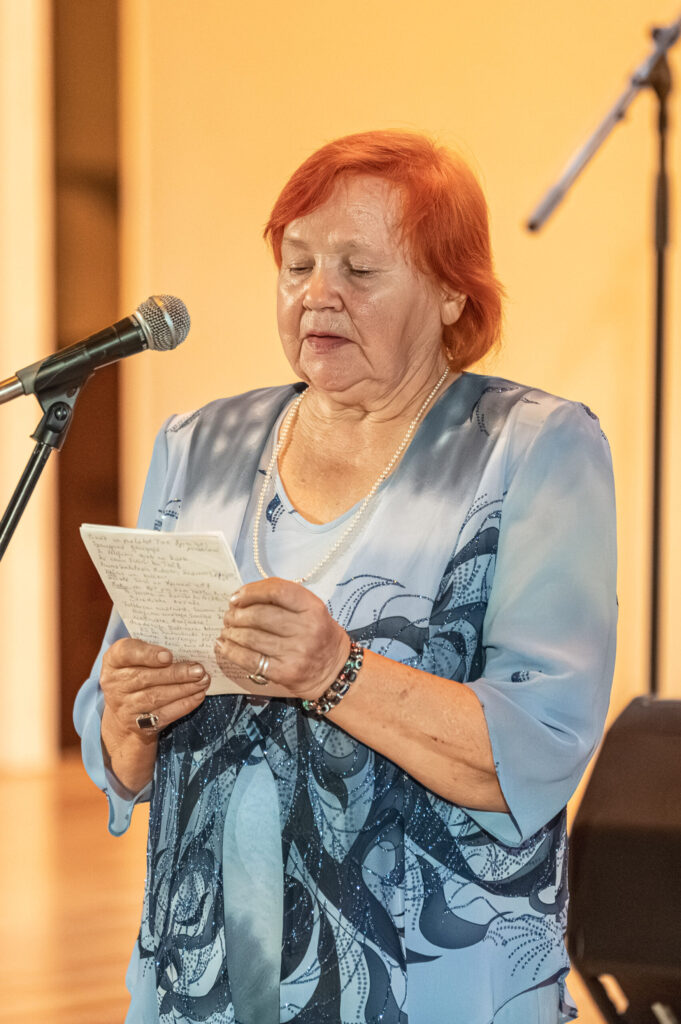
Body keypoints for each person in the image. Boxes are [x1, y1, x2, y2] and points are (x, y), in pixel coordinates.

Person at [74, 130, 617, 1024]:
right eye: (296, 265)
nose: (316, 294)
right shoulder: (198, 445)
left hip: (431, 978)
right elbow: (117, 750)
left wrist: (338, 672)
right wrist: (131, 715)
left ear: (451, 291)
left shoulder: (532, 450)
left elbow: (537, 744)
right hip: (203, 978)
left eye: (359, 270)